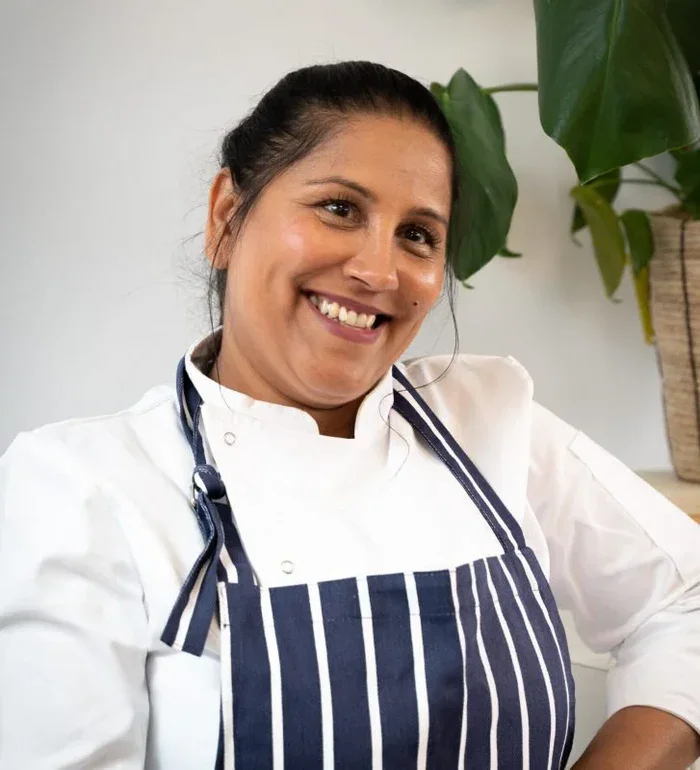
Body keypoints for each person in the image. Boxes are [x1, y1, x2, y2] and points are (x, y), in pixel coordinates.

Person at [1, 60, 699, 770]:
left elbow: (688, 602)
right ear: (226, 218)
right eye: (339, 208)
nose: (378, 271)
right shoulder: (81, 487)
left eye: (417, 234)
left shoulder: (489, 420)